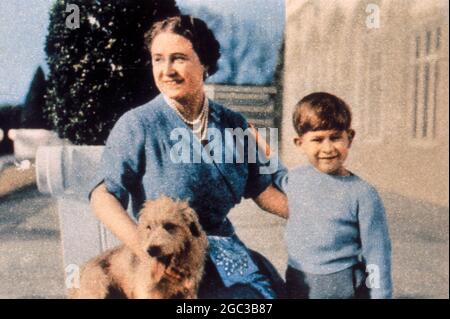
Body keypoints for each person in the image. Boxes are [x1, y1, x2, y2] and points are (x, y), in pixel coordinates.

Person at [89, 15, 288, 299]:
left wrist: (322, 216)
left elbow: (264, 190)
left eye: (179, 58)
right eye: (158, 59)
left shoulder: (235, 124)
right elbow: (103, 195)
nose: (167, 70)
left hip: (222, 251)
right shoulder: (137, 124)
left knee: (264, 296)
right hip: (165, 260)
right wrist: (145, 248)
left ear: (205, 63)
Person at [274, 92, 392, 299]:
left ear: (350, 138)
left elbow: (377, 255)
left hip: (345, 287)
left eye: (335, 137)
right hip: (298, 282)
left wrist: (381, 295)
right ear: (299, 143)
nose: (327, 148)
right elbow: (266, 170)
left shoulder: (363, 194)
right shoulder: (293, 180)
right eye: (317, 140)